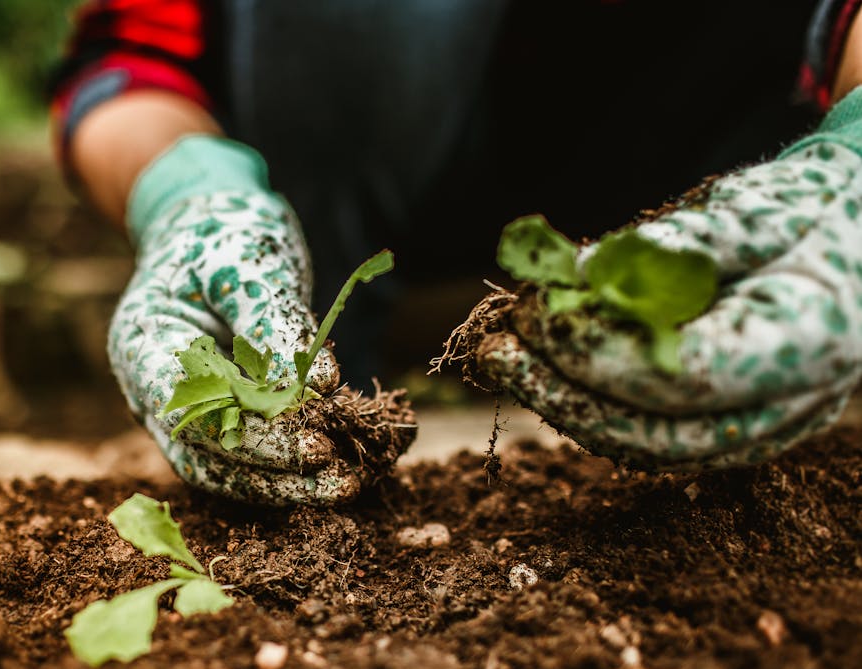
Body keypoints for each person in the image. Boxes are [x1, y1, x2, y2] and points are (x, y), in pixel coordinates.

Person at [49, 0, 862, 505]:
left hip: (721, 133)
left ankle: (716, 315)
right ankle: (327, 404)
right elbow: (128, 63)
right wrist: (188, 192)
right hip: (364, 155)